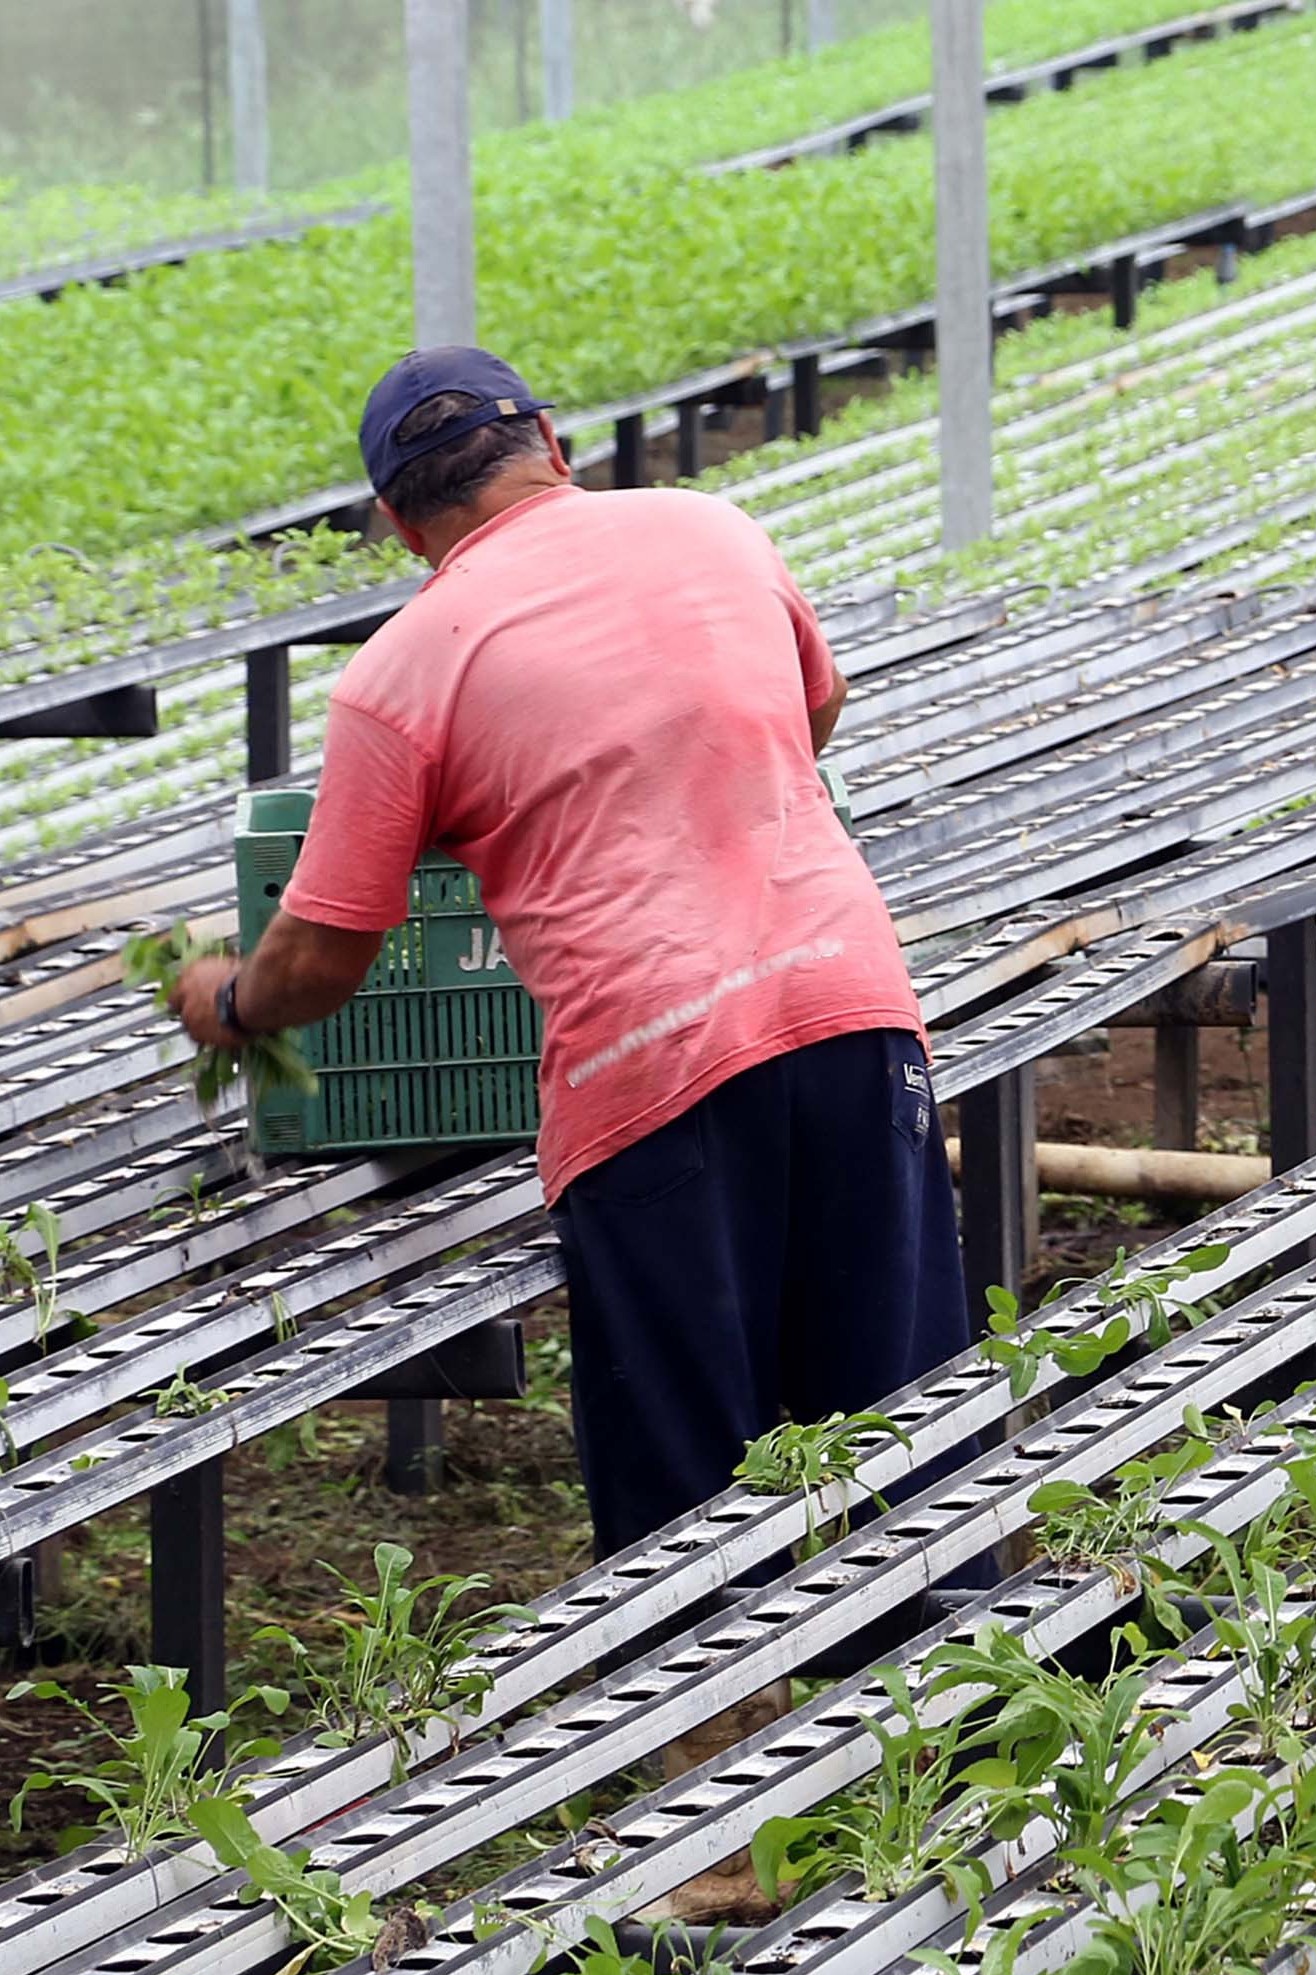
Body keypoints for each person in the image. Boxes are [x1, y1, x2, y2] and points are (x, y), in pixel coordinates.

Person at [168, 346, 973, 1571]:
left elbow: (326, 955)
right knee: (901, 1440)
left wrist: (228, 997)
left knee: (689, 1505)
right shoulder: (714, 530)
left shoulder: (402, 671)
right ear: (554, 440)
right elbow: (810, 712)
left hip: (652, 1071)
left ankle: (709, 1736)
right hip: (851, 1005)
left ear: (398, 523)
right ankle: (950, 1717)